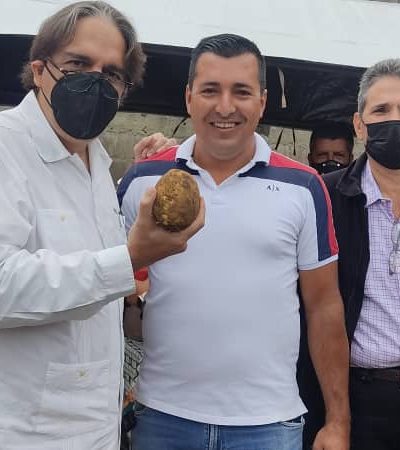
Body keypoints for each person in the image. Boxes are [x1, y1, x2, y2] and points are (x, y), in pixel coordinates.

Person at [118, 33, 350, 450]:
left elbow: (324, 307)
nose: (225, 107)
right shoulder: (142, 180)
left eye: (241, 92)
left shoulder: (303, 187)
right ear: (189, 97)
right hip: (163, 418)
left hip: (269, 425)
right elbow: (110, 287)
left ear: (262, 101)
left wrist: (337, 421)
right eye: (210, 90)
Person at [0, 2, 204, 449]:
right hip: (24, 432)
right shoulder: (6, 147)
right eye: (77, 63)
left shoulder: (95, 162)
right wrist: (129, 258)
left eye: (111, 73)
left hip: (94, 428)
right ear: (39, 70)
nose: (95, 81)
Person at [301, 58, 400, 450]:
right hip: (355, 402)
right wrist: (335, 420)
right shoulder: (324, 198)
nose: (394, 121)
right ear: (359, 125)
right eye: (382, 111)